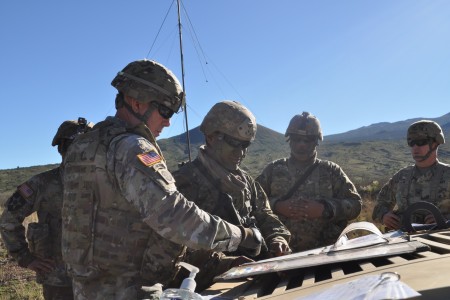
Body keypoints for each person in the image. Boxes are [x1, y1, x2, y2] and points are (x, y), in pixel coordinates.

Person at [60, 60, 262, 300]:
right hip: (129, 290)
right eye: (165, 111)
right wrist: (240, 236)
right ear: (137, 102)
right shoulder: (132, 148)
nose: (167, 122)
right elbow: (175, 216)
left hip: (86, 287)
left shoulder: (83, 146)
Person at [173, 100, 291, 289]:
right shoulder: (184, 184)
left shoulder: (246, 182)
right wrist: (228, 264)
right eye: (234, 144)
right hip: (207, 285)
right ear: (211, 137)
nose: (241, 153)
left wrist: (277, 240)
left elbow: (265, 215)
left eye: (246, 145)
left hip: (253, 278)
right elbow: (175, 251)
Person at [0, 117, 93, 300]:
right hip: (59, 280)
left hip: (101, 278)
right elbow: (8, 219)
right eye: (80, 144)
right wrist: (26, 258)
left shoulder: (108, 182)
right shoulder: (42, 184)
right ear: (63, 148)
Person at [255, 112, 362, 252]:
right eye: (296, 139)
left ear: (316, 141)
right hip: (279, 253)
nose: (301, 144)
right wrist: (277, 206)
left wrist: (325, 209)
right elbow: (252, 203)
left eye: (308, 140)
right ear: (289, 140)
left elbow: (355, 205)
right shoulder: (273, 170)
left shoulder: (331, 171)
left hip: (325, 253)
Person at [372, 120, 450, 230]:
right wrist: (384, 216)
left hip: (440, 241)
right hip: (403, 241)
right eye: (411, 143)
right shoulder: (402, 176)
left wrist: (445, 220)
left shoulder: (447, 174)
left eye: (421, 142)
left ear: (436, 143)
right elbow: (380, 204)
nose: (415, 148)